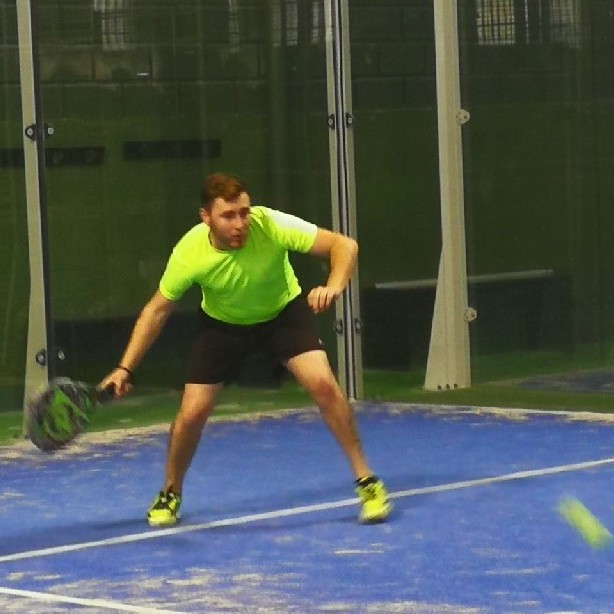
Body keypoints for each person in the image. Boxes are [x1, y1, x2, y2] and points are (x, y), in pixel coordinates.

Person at [100, 172, 391, 527]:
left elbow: (344, 246)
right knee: (192, 414)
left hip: (282, 315)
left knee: (324, 386)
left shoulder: (270, 224)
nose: (240, 223)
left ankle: (367, 482)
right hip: (222, 327)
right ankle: (170, 492)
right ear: (206, 217)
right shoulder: (190, 252)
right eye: (228, 216)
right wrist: (125, 368)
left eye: (244, 212)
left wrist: (333, 285)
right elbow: (157, 310)